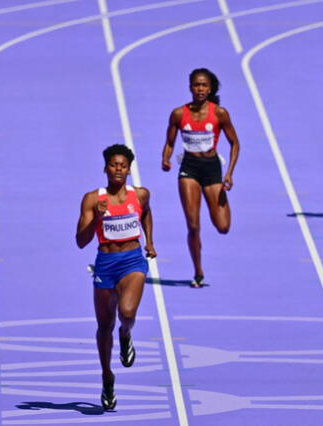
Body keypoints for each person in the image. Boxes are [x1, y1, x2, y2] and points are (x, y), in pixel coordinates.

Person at [76, 144, 156, 410]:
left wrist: (150, 242)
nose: (118, 169)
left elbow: (146, 214)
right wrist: (97, 217)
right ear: (106, 168)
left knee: (128, 313)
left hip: (132, 260)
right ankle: (107, 377)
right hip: (105, 263)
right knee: (103, 327)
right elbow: (80, 241)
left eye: (123, 165)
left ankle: (126, 334)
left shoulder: (141, 195)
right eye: (113, 164)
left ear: (129, 169)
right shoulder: (92, 199)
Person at [162, 68, 240, 288]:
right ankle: (198, 271)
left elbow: (235, 143)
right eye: (196, 85)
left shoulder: (220, 113)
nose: (200, 89)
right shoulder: (178, 114)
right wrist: (166, 158)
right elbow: (169, 142)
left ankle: (219, 203)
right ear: (190, 87)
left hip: (212, 170)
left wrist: (229, 174)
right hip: (189, 169)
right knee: (193, 226)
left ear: (210, 88)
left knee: (223, 226)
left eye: (204, 85)